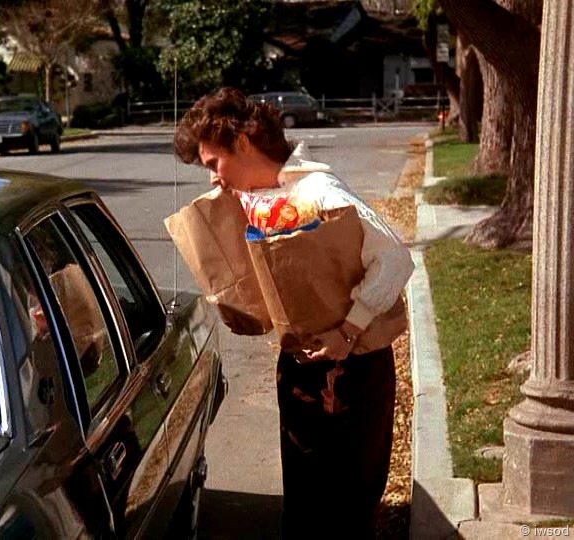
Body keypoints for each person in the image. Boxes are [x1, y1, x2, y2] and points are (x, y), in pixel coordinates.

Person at [173, 87, 415, 539]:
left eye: (214, 163)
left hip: (355, 373)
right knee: (304, 506)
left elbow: (395, 260)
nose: (212, 178)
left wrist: (349, 329)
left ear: (242, 142)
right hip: (301, 372)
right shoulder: (257, 198)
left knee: (347, 509)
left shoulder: (318, 191)